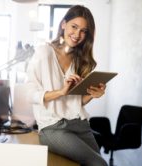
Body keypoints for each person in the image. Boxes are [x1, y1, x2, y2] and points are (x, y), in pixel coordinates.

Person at [26, 5, 108, 166]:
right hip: (53, 127)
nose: (77, 35)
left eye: (84, 31)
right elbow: (29, 94)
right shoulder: (44, 52)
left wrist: (92, 94)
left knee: (98, 162)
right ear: (63, 24)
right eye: (74, 27)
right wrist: (61, 92)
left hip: (80, 123)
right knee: (99, 164)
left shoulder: (79, 60)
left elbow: (76, 103)